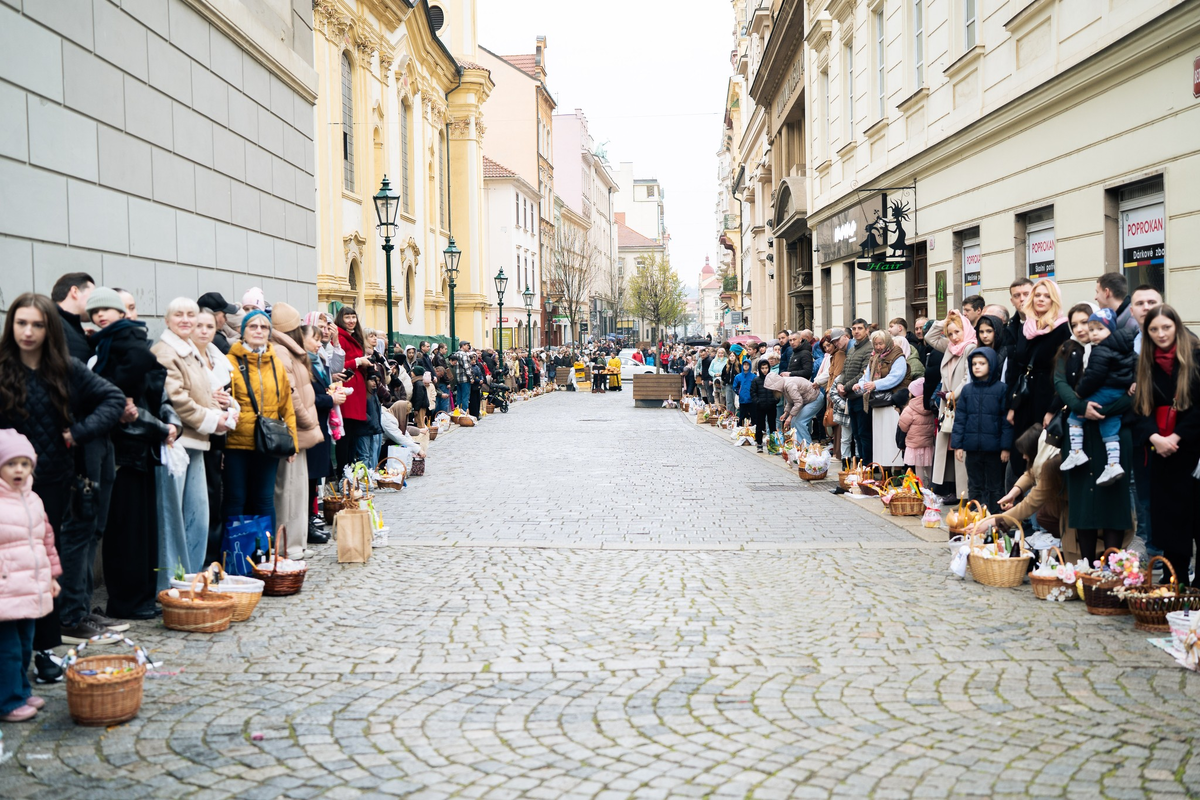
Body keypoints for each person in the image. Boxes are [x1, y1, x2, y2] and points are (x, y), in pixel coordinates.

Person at [0, 294, 124, 677]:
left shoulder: (65, 369)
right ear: (11, 326)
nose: (28, 331)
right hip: (3, 489)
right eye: (22, 323)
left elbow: (113, 398)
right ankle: (11, 657)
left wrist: (78, 433)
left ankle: (45, 650)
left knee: (43, 568)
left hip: (50, 484)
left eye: (37, 324)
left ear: (48, 329)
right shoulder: (2, 368)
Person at [88, 287, 175, 623]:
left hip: (132, 447)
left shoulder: (122, 338)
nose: (102, 317)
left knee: (131, 530)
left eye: (110, 310)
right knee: (132, 529)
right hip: (131, 448)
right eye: (96, 313)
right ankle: (132, 599)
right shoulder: (111, 340)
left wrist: (110, 393)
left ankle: (131, 599)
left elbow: (146, 370)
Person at [152, 298, 227, 586]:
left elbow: (204, 392)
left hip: (198, 441)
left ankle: (192, 579)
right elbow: (177, 399)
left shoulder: (191, 351)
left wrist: (222, 411)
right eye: (178, 315)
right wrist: (213, 419)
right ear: (167, 319)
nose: (185, 319)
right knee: (174, 519)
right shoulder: (165, 351)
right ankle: (170, 584)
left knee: (199, 516)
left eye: (190, 315)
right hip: (177, 443)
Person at [1054, 306, 1133, 566]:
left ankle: (1113, 568)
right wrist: (1081, 408)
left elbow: (1133, 391)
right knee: (1083, 499)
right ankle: (1087, 566)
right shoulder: (1068, 351)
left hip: (1112, 431)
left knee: (1112, 497)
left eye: (1086, 322)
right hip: (1078, 434)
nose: (1081, 329)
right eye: (1074, 324)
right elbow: (1060, 383)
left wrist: (1100, 410)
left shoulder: (1119, 349)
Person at [1133, 305, 1200, 586]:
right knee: (1171, 522)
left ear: (1176, 327)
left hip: (1192, 450)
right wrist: (1155, 437)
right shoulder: (1146, 364)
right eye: (1154, 329)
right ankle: (1178, 578)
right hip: (1161, 453)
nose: (1161, 334)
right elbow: (1140, 410)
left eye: (1166, 327)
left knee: (1196, 517)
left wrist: (1176, 436)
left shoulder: (1194, 359)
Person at [0, 430, 62, 722]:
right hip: (5, 588)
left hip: (29, 588)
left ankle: (21, 691)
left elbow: (46, 539)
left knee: (25, 645)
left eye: (25, 464)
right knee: (7, 650)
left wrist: (51, 576)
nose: (20, 470)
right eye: (12, 464)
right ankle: (8, 702)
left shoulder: (34, 499)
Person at [224, 310, 297, 537]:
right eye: (252, 326)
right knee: (236, 500)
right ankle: (235, 556)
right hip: (236, 442)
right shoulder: (229, 362)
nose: (258, 331)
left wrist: (292, 439)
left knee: (265, 500)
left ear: (269, 333)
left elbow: (286, 404)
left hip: (268, 441)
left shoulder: (275, 363)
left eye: (263, 327)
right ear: (242, 332)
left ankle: (266, 556)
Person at [1060, 308, 1136, 486]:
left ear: (1111, 329)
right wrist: (1136, 380)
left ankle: (1077, 451)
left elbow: (1094, 376)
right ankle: (1113, 464)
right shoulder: (1124, 346)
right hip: (1119, 392)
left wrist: (1079, 394)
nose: (1093, 333)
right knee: (1110, 427)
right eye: (1092, 329)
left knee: (1075, 417)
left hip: (1105, 390)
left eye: (1099, 329)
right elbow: (1137, 361)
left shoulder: (1101, 350)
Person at [270, 305, 323, 558]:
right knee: (288, 491)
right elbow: (289, 395)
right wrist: (307, 422)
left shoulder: (290, 350)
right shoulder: (282, 351)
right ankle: (287, 548)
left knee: (298, 490)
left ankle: (297, 544)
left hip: (299, 430)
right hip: (294, 430)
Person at [192, 310, 238, 564]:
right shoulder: (189, 358)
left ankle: (214, 561)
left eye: (209, 326)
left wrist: (230, 405)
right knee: (201, 506)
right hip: (196, 437)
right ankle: (202, 562)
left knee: (214, 502)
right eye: (199, 325)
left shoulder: (218, 358)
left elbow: (231, 398)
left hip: (220, 438)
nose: (204, 330)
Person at [1006, 277, 1071, 437]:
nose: (1041, 299)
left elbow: (1065, 373)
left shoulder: (1062, 328)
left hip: (1047, 396)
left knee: (1042, 454)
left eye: (1047, 296)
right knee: (1022, 454)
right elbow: (1018, 368)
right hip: (1025, 397)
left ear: (1054, 300)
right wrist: (1013, 406)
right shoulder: (1027, 327)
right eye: (1037, 295)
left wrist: (1052, 410)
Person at [951, 348, 1013, 513]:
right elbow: (960, 419)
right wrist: (957, 445)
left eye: (982, 363)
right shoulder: (967, 390)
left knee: (994, 486)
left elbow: (1006, 421)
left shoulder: (1001, 389)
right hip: (972, 448)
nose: (977, 367)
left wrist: (1006, 447)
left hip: (994, 449)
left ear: (991, 364)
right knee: (975, 485)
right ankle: (975, 518)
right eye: (974, 364)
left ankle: (993, 519)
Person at [927, 310, 977, 499]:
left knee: (959, 448)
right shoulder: (950, 347)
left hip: (960, 403)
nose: (954, 337)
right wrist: (945, 321)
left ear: (965, 330)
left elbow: (968, 377)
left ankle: (963, 494)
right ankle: (952, 490)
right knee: (948, 447)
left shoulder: (970, 347)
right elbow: (930, 337)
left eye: (958, 332)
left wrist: (952, 395)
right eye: (950, 333)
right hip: (947, 404)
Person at [854, 330, 911, 468]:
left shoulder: (897, 355)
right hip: (878, 402)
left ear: (887, 342)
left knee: (891, 437)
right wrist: (861, 385)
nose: (878, 346)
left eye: (881, 343)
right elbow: (867, 376)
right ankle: (882, 467)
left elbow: (896, 377)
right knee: (880, 438)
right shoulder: (874, 357)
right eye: (876, 344)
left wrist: (875, 384)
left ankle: (896, 469)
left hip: (892, 403)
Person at [333, 306, 371, 469]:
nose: (351, 321)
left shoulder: (354, 337)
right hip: (347, 391)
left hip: (357, 391)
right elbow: (338, 366)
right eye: (347, 317)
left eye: (353, 317)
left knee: (353, 437)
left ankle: (349, 472)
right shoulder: (340, 338)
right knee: (346, 437)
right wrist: (359, 362)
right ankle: (343, 474)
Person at [835, 320, 873, 461]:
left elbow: (863, 374)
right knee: (856, 434)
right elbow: (844, 371)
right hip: (850, 397)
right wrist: (839, 383)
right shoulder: (852, 349)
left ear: (867, 330)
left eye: (860, 328)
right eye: (854, 329)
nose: (856, 331)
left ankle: (867, 464)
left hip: (861, 396)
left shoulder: (869, 348)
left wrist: (845, 387)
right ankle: (861, 463)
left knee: (864, 433)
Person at [898, 377, 936, 485]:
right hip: (928, 443)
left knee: (917, 467)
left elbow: (903, 426)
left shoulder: (909, 409)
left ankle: (919, 487)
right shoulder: (930, 407)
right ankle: (930, 486)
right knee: (928, 466)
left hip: (914, 444)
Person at [51, 273, 95, 361]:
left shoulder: (72, 326)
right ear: (75, 291)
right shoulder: (52, 323)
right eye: (93, 296)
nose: (96, 303)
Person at [823, 329, 849, 459]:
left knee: (837, 422)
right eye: (825, 347)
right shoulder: (834, 355)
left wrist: (829, 391)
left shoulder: (839, 355)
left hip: (835, 392)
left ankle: (838, 453)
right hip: (832, 392)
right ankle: (837, 451)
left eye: (829, 345)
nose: (827, 348)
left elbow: (837, 375)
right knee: (835, 422)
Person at [750, 361, 778, 452]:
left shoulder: (772, 379)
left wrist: (774, 400)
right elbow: (753, 393)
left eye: (766, 368)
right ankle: (759, 443)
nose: (764, 370)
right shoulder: (756, 380)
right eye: (762, 368)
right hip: (760, 407)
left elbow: (777, 391)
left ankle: (773, 444)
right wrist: (758, 401)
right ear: (759, 369)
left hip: (771, 405)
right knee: (760, 425)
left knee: (772, 425)